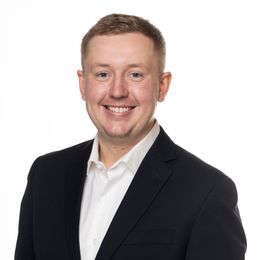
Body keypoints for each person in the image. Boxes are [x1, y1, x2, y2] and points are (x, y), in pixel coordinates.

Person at [15, 13, 247, 260]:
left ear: (162, 85)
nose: (117, 92)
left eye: (135, 74)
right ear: (83, 84)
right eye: (103, 74)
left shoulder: (207, 192)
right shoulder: (46, 175)